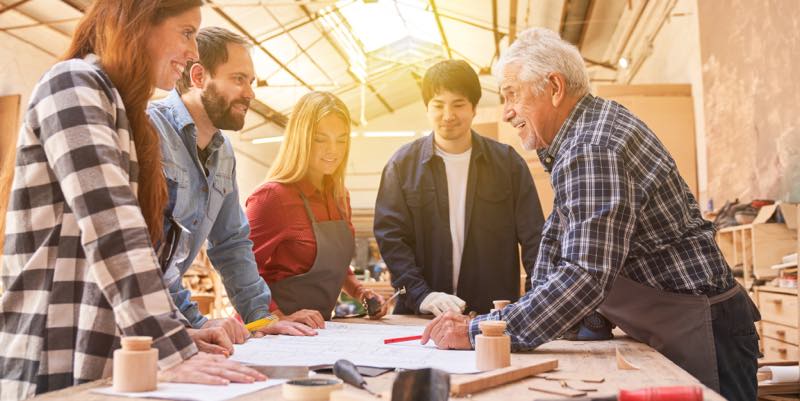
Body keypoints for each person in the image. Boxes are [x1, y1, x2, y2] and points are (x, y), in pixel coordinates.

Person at [421, 28, 760, 401]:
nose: (507, 112)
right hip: (679, 320)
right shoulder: (582, 134)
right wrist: (551, 316)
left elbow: (586, 273)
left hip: (701, 326)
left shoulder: (591, 146)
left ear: (554, 86)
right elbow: (561, 237)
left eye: (512, 95)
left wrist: (483, 331)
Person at [0, 2, 266, 398]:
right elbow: (114, 230)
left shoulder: (126, 113)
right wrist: (167, 346)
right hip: (51, 360)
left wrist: (183, 335)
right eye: (186, 33)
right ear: (140, 23)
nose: (193, 52)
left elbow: (143, 256)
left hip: (103, 360)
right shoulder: (73, 85)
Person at [147, 26, 315, 350]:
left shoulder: (223, 154)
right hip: (135, 327)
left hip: (169, 324)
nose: (250, 93)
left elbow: (231, 242)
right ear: (198, 77)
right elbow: (149, 258)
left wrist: (261, 318)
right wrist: (197, 323)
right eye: (238, 79)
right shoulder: (150, 132)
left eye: (251, 82)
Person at [374, 60, 545, 316]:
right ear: (427, 108)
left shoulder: (507, 164)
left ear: (474, 108)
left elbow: (535, 239)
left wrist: (536, 301)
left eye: (458, 104)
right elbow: (391, 237)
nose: (448, 115)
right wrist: (421, 294)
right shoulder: (402, 165)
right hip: (419, 315)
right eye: (438, 105)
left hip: (490, 317)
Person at [246, 92, 387, 326]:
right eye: (321, 139)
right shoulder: (272, 197)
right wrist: (277, 317)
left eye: (341, 140)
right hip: (268, 330)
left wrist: (361, 292)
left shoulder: (340, 198)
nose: (333, 150)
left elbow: (334, 267)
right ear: (300, 139)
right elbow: (241, 271)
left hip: (317, 331)